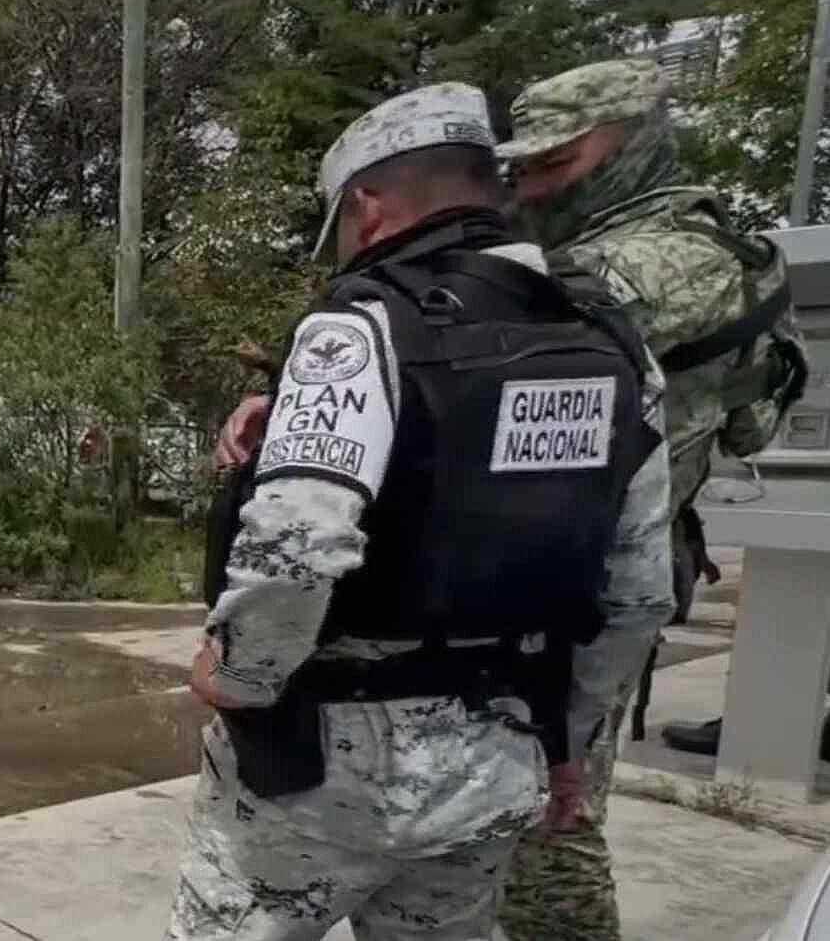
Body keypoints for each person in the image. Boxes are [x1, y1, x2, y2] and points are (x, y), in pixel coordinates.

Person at [169, 83, 674, 940]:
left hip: (322, 766)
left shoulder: (362, 328)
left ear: (366, 204)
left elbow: (297, 541)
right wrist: (566, 742)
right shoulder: (610, 340)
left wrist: (242, 674)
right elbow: (639, 590)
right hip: (496, 758)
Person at [492, 59, 808, 941]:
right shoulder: (584, 248)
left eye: (555, 164)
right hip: (536, 577)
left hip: (585, 593)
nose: (529, 185)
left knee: (548, 827)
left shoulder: (673, 260)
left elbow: (507, 341)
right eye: (522, 165)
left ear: (630, 149)